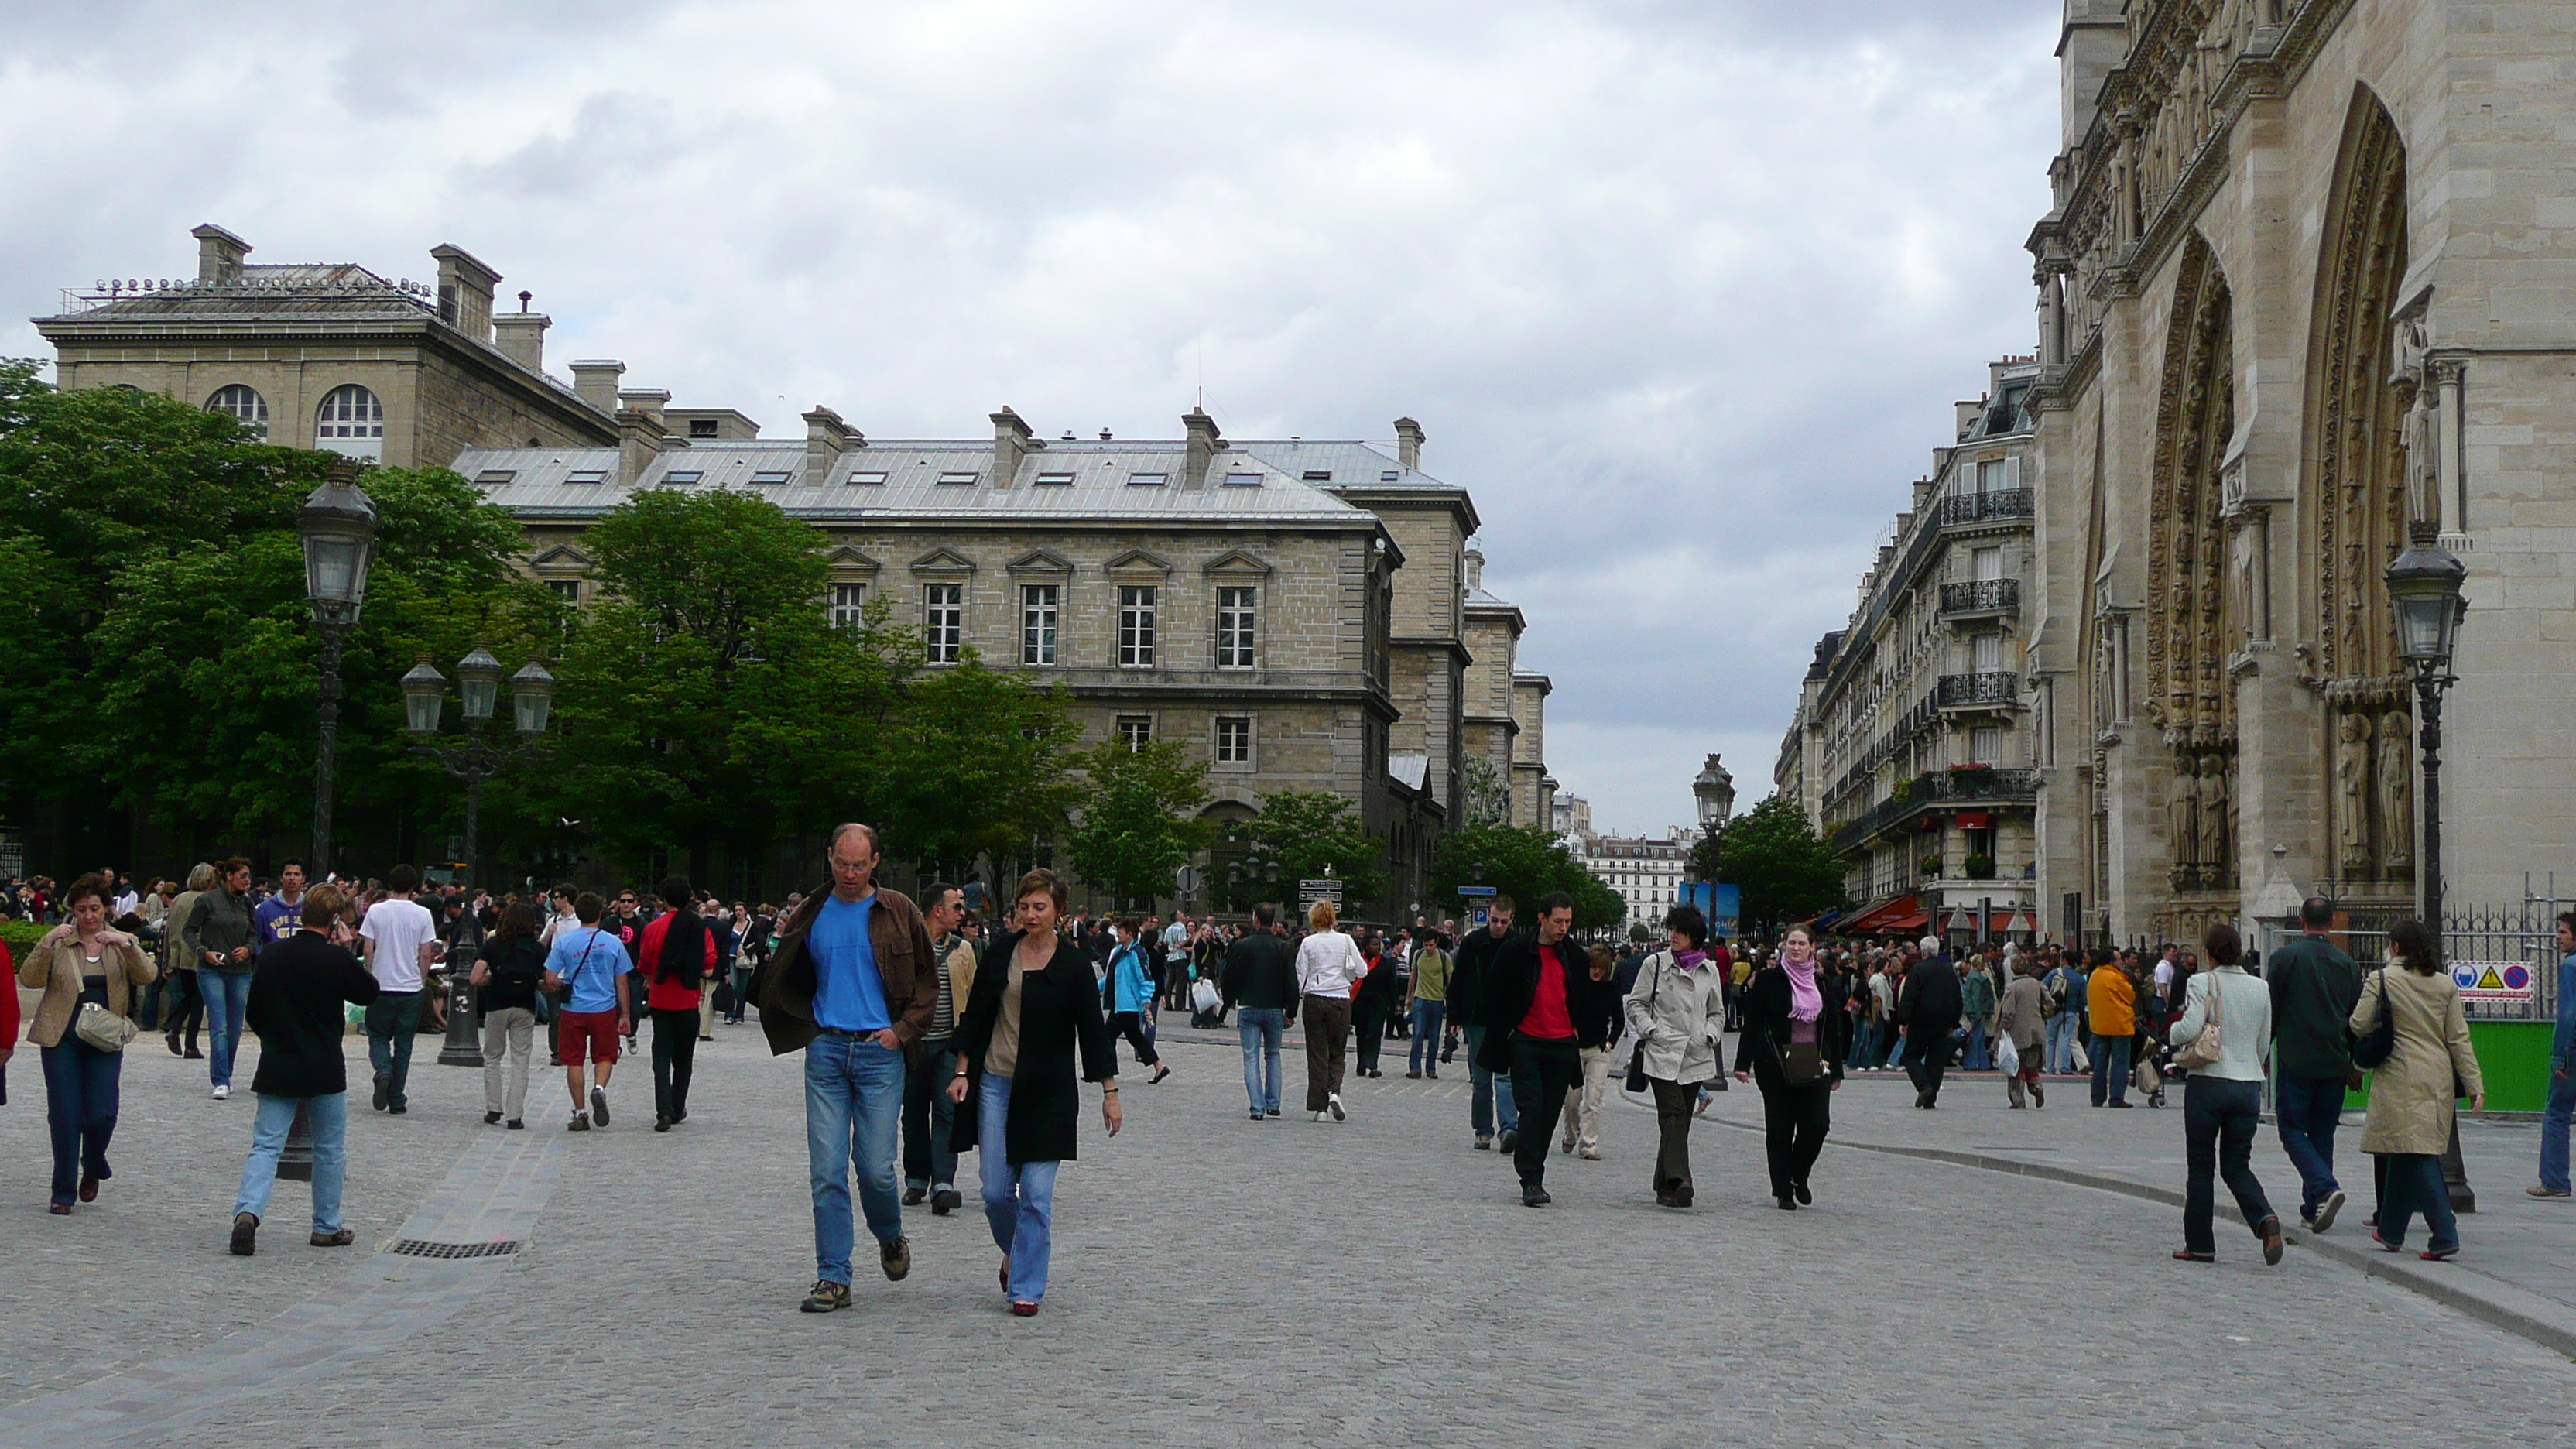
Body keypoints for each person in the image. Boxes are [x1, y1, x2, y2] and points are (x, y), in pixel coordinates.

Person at [758, 824, 940, 1314]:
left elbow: (928, 982)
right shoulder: (811, 912)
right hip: (827, 1051)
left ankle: (889, 1234)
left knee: (877, 1170)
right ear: (830, 858)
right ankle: (833, 1276)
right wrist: (802, 1025)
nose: (851, 873)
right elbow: (782, 973)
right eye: (842, 863)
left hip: (881, 1053)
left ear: (876, 862)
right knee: (826, 1171)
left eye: (860, 865)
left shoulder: (899, 911)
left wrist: (901, 1031)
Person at [946, 869, 1119, 1317]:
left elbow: (1093, 1033)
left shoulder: (1074, 965)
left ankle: (1025, 1286)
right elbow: (977, 1014)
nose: (1030, 915)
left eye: (1039, 907)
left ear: (1059, 912)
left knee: (1037, 1197)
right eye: (1023, 907)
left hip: (1049, 1093)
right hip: (997, 1085)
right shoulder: (1001, 952)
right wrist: (963, 1069)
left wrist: (1110, 1091)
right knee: (995, 1193)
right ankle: (1014, 1251)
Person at [228, 884, 380, 1255]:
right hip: (324, 1065)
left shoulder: (273, 955)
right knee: (329, 1148)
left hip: (279, 1061)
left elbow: (255, 1012)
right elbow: (369, 993)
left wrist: (275, 1039)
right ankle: (325, 1225)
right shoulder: (336, 959)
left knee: (266, 1145)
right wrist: (346, 950)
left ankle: (248, 1212)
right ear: (333, 921)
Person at [20, 874, 155, 1214]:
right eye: (81, 910)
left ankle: (93, 1162)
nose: (89, 916)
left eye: (95, 908)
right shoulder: (61, 942)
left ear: (107, 909)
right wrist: (47, 942)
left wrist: (128, 944)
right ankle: (63, 1191)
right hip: (61, 1036)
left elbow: (148, 976)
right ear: (74, 912)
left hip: (105, 1037)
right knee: (64, 1115)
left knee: (101, 1112)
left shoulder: (118, 942)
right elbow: (30, 979)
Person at [2350, 919, 2484, 1261]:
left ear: (2394, 947)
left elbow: (2358, 1023)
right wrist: (2474, 1084)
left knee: (2417, 1153)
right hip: (2437, 1074)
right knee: (2403, 1148)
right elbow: (2458, 1038)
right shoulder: (2444, 984)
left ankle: (2444, 1233)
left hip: (2400, 1075)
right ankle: (2392, 1229)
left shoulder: (2381, 979)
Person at [1477, 892, 1605, 1208]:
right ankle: (1530, 1179)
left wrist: (1583, 1033)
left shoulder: (1575, 956)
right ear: (1542, 918)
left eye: (1568, 922)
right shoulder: (1516, 951)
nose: (1564, 928)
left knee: (1548, 1114)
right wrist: (1507, 1030)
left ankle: (1536, 1170)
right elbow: (1493, 993)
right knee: (1531, 1108)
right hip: (1526, 1041)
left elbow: (1586, 1000)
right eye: (1558, 921)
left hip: (1562, 1043)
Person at [2167, 923, 2283, 1264]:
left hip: (2209, 1080)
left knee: (2201, 1167)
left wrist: (2172, 1030)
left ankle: (2200, 1243)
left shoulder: (2202, 981)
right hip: (2247, 1084)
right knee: (2236, 1164)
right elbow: (2264, 1040)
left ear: (2210, 953)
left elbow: (2188, 1029)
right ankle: (2264, 1217)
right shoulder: (2261, 987)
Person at [2267, 895, 2364, 1229]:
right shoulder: (2347, 964)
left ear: (2301, 922)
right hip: (2335, 1060)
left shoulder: (2284, 958)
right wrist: (2355, 1064)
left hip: (2297, 1058)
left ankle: (2324, 1188)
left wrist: (2263, 1053)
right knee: (2323, 1133)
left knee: (2292, 1129)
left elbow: (2273, 1011)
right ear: (2333, 922)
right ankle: (2315, 1205)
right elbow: (2355, 1018)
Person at [1735, 924, 1846, 1210]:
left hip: (1813, 1061)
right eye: (1792, 943)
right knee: (1780, 1129)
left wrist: (1837, 1070)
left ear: (1812, 947)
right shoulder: (1769, 980)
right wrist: (1742, 1063)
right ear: (1784, 946)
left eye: (1802, 943)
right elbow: (1753, 1022)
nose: (1796, 948)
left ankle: (1799, 1174)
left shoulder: (1822, 983)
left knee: (1817, 1126)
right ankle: (1783, 1189)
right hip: (1775, 1062)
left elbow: (1831, 1027)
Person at [1625, 906, 1726, 1207]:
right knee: (1673, 1115)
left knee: (1680, 1124)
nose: (1674, 935)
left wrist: (1709, 1034)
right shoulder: (1654, 964)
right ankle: (1682, 1180)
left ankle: (1664, 1185)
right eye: (1672, 929)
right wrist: (1651, 1030)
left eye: (1680, 931)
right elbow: (1636, 1004)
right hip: (1662, 1052)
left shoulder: (1709, 971)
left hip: (1695, 1054)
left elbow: (1717, 1012)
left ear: (1695, 936)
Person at [902, 882, 975, 1214]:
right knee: (914, 1113)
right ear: (937, 911)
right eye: (957, 907)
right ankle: (917, 1177)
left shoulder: (963, 950)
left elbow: (973, 999)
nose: (963, 913)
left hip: (949, 1044)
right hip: (914, 1043)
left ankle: (943, 1182)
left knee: (947, 1112)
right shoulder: (907, 946)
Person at [544, 892, 632, 1132]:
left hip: (573, 1008)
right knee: (605, 1056)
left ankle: (581, 1113)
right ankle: (599, 1089)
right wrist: (625, 1015)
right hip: (604, 1007)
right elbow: (621, 982)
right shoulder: (613, 942)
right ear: (601, 915)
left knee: (574, 1060)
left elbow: (550, 979)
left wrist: (564, 985)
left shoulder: (565, 942)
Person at [355, 865, 440, 1115]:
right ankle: (397, 1097)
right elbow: (426, 953)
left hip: (382, 985)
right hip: (410, 987)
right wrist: (421, 980)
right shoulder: (423, 914)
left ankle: (382, 1070)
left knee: (378, 1035)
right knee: (404, 1044)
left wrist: (370, 975)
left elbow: (368, 949)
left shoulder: (376, 911)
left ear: (390, 884)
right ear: (414, 886)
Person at [639, 876, 718, 1132]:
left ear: (664, 899)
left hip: (661, 1000)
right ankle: (677, 1105)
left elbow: (646, 966)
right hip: (687, 999)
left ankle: (663, 1109)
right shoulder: (699, 927)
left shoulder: (653, 928)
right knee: (684, 1058)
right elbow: (708, 967)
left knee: (660, 1056)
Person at [182, 857, 259, 1101]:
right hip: (212, 968)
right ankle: (220, 1079)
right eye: (243, 875)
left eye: (249, 876)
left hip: (240, 970)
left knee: (235, 1028)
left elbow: (254, 934)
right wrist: (203, 951)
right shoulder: (207, 900)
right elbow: (189, 930)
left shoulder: (247, 904)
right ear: (229, 876)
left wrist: (248, 948)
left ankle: (227, 1071)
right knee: (219, 1025)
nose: (247, 880)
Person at [1449, 899, 1521, 1151]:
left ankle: (1509, 1128)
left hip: (1506, 1021)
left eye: (1503, 921)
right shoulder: (1472, 942)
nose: (1498, 925)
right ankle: (1482, 1130)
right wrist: (1455, 1017)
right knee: (1481, 1079)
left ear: (1512, 919)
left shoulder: (1517, 945)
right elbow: (1458, 979)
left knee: (1505, 1078)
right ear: (1488, 917)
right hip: (1477, 1017)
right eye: (1494, 920)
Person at [471, 900, 549, 1129]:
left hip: (497, 1004)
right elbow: (549, 980)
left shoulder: (493, 945)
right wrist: (534, 984)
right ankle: (515, 1115)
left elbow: (475, 978)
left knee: (493, 1056)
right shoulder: (536, 948)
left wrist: (493, 979)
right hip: (524, 1006)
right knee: (520, 1059)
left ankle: (494, 1108)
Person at [1221, 903, 1297, 1120]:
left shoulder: (1242, 945)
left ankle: (1257, 1106)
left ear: (1255, 919)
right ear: (1273, 922)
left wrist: (1229, 1000)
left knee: (1251, 1058)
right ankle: (1273, 1103)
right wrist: (1291, 1011)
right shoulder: (1283, 946)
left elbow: (1229, 976)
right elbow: (1291, 981)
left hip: (1248, 1006)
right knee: (1273, 1054)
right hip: (1274, 1007)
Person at [1295, 900, 1368, 1122]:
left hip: (1316, 999)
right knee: (1338, 1051)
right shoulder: (1346, 941)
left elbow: (1301, 973)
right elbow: (1362, 970)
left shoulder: (1308, 943)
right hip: (1340, 1000)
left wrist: (1305, 992)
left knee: (1318, 1054)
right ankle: (1335, 1091)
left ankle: (1320, 1108)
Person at [1558, 944, 1622, 1160]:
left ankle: (1589, 1145)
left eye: (1602, 968)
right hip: (1574, 1048)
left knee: (1594, 1100)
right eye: (1593, 967)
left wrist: (1611, 1042)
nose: (1597, 972)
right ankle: (1570, 1134)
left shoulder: (1611, 989)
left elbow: (1619, 1021)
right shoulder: (1575, 987)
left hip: (1598, 1050)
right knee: (1571, 1101)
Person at [1896, 935, 1962, 1109]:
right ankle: (1930, 1097)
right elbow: (1958, 998)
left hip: (1921, 1021)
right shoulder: (1949, 971)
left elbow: (1909, 997)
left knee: (1911, 1055)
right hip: (1943, 1022)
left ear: (1923, 952)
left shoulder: (1918, 971)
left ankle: (1923, 1086)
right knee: (1936, 1060)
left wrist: (1904, 1020)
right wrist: (1953, 1023)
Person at [2538, 912, 2576, 1199]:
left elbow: (2567, 1014)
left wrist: (2558, 1056)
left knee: (2557, 1114)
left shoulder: (2571, 967)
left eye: (2563, 932)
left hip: (2572, 1050)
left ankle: (2555, 1180)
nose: (2558, 937)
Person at [1104, 919, 1170, 1084]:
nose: (1118, 934)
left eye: (1121, 932)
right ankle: (1159, 1066)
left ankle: (1106, 1072)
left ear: (1130, 934)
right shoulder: (1120, 951)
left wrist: (1146, 998)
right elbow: (1111, 977)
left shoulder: (1136, 953)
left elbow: (1145, 978)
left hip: (1128, 1004)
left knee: (1111, 1037)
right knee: (1133, 1037)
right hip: (1120, 1004)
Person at [160, 865, 214, 1060]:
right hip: (199, 954)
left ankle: (174, 1030)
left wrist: (166, 962)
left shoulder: (180, 899)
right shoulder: (207, 900)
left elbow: (168, 932)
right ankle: (190, 1044)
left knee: (189, 997)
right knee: (197, 1001)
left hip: (180, 955)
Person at [1995, 957, 2049, 1108]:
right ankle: (2037, 1087)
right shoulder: (2037, 984)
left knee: (2015, 1066)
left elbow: (2008, 1012)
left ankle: (2017, 1098)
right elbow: (2050, 1003)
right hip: (2037, 1031)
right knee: (2031, 1065)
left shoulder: (2013, 988)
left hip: (2018, 1033)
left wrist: (2004, 1029)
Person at [2087, 947, 2136, 1107]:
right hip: (2119, 1025)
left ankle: (2097, 1098)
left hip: (2100, 1025)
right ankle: (2116, 1098)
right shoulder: (2116, 977)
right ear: (2111, 962)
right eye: (2118, 959)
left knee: (2100, 1064)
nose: (2121, 962)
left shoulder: (2094, 975)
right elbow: (2130, 997)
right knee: (2120, 1063)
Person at [1353, 933, 1402, 1079]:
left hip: (1378, 1004)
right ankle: (1361, 1063)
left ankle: (1373, 1065)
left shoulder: (1385, 963)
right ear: (1366, 946)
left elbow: (1391, 986)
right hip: (1361, 1003)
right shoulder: (1359, 962)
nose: (1376, 947)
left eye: (1378, 944)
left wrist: (1396, 1004)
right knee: (1361, 1034)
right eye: (1373, 944)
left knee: (1375, 1033)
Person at [1404, 928, 1449, 1080]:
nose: (1428, 948)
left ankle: (1431, 1067)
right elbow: (1413, 975)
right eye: (1426, 945)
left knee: (1434, 1036)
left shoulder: (1444, 957)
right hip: (1420, 998)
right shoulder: (1418, 955)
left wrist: (1449, 999)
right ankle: (1415, 1068)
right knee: (1417, 1034)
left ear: (1436, 943)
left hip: (1437, 1000)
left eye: (1431, 945)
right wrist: (1409, 997)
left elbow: (1450, 978)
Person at [252, 859, 307, 950]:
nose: (292, 878)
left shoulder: (311, 908)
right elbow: (256, 940)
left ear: (303, 879)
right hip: (273, 962)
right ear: (281, 878)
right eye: (288, 874)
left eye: (296, 874)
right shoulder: (265, 909)